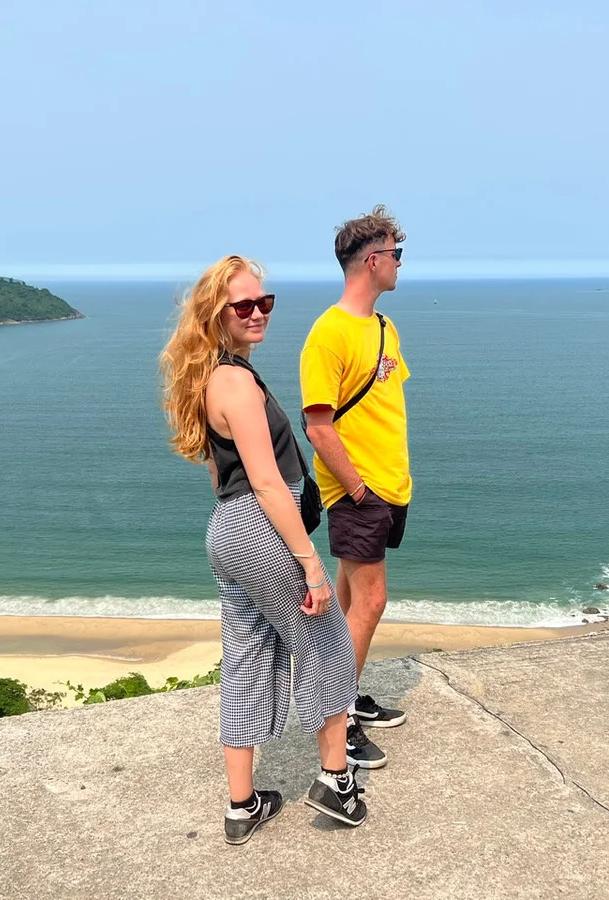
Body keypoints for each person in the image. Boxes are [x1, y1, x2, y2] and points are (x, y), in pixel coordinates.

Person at [159, 255, 368, 846]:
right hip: (260, 529)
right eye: (243, 306)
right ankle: (335, 781)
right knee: (326, 642)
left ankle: (242, 805)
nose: (257, 313)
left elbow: (216, 474)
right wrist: (309, 564)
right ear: (215, 315)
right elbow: (269, 481)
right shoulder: (235, 382)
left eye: (264, 303)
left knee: (248, 658)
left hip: (228, 530)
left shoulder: (212, 379)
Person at [300, 206, 411, 770]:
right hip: (358, 493)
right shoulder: (330, 332)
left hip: (388, 488)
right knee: (371, 600)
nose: (400, 264)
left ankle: (342, 695)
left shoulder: (384, 328)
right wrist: (359, 490)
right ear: (372, 260)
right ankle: (335, 725)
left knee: (347, 604)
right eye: (396, 254)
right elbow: (318, 424)